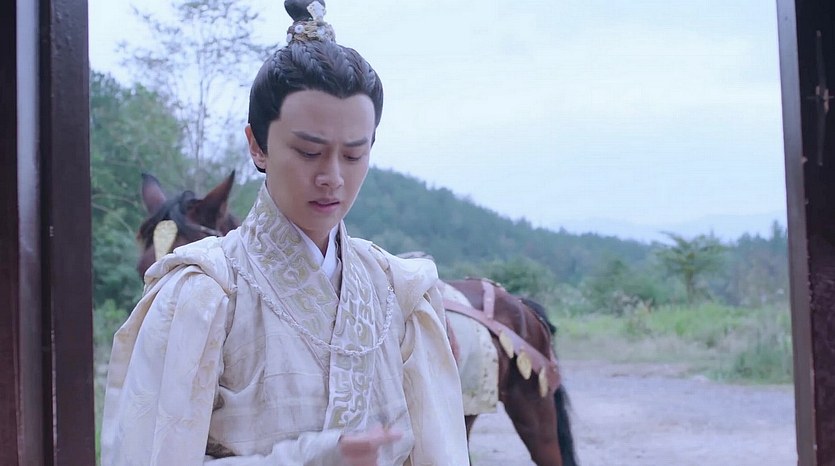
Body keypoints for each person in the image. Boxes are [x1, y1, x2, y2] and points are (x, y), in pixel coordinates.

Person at [100, 1, 470, 464]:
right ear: (257, 145)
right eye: (309, 152)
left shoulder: (400, 291)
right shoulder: (204, 294)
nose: (332, 177)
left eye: (353, 155)